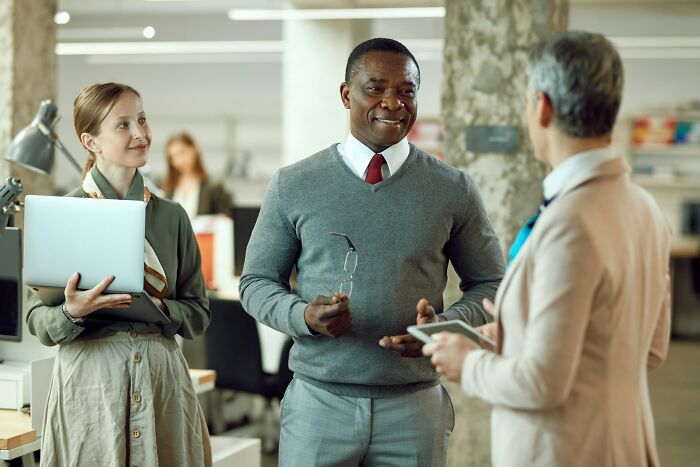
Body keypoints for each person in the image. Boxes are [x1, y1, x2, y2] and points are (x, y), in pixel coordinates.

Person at [240, 38, 505, 466]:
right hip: (318, 403)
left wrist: (440, 330)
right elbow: (255, 283)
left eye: (406, 90)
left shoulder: (452, 189)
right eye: (375, 88)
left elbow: (492, 285)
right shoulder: (294, 183)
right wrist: (304, 316)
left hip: (415, 407)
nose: (393, 103)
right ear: (347, 94)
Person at [423, 31, 671, 467]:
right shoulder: (644, 208)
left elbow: (543, 383)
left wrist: (468, 363)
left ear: (542, 106)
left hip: (566, 451)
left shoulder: (571, 221)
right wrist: (516, 335)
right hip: (623, 443)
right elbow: (646, 348)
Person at [26, 83, 212, 467]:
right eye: (123, 125)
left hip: (162, 382)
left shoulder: (171, 216)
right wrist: (72, 312)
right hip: (91, 385)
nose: (141, 133)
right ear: (90, 141)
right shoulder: (63, 214)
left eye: (142, 120)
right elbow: (37, 321)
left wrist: (162, 308)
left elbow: (199, 313)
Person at [163, 131, 233, 220]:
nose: (179, 161)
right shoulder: (167, 186)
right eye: (173, 157)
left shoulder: (214, 187)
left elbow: (225, 219)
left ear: (194, 149)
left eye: (182, 153)